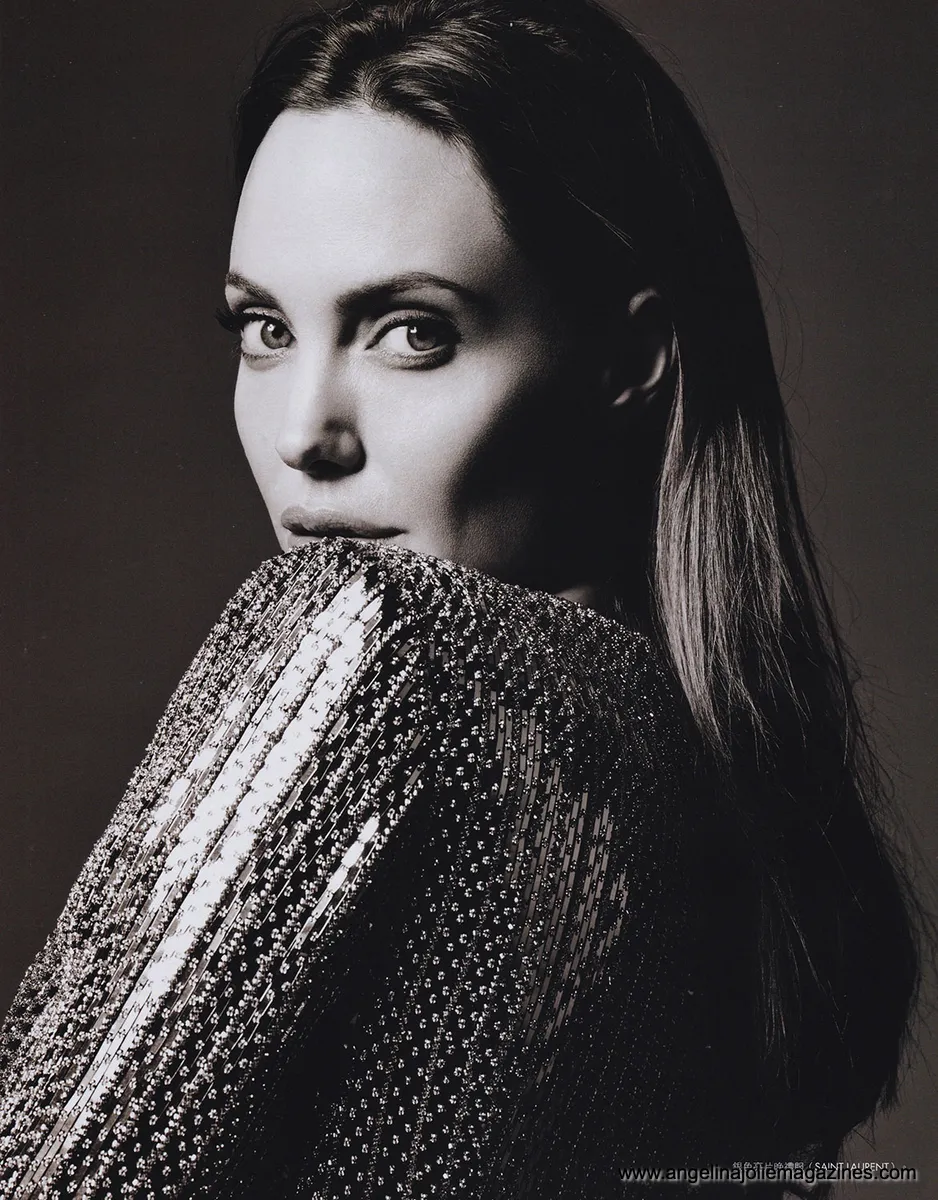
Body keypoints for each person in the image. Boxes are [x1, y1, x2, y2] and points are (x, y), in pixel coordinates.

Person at [0, 0, 921, 1196]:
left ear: (627, 362)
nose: (302, 434)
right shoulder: (745, 813)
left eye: (409, 333)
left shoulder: (376, 646)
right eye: (264, 328)